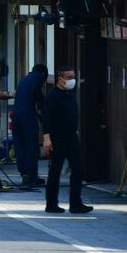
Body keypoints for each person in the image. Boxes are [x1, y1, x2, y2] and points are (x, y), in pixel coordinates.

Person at [43, 66, 93, 214]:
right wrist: (46, 138)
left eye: (73, 77)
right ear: (60, 79)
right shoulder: (52, 96)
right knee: (55, 171)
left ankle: (76, 203)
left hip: (71, 137)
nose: (72, 80)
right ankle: (51, 204)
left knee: (78, 169)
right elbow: (46, 118)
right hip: (56, 138)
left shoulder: (70, 94)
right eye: (69, 77)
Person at [14, 64, 48, 188]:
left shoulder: (25, 79)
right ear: (43, 74)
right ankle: (31, 176)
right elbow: (37, 94)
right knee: (31, 145)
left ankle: (25, 174)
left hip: (16, 115)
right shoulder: (38, 77)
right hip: (27, 116)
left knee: (20, 144)